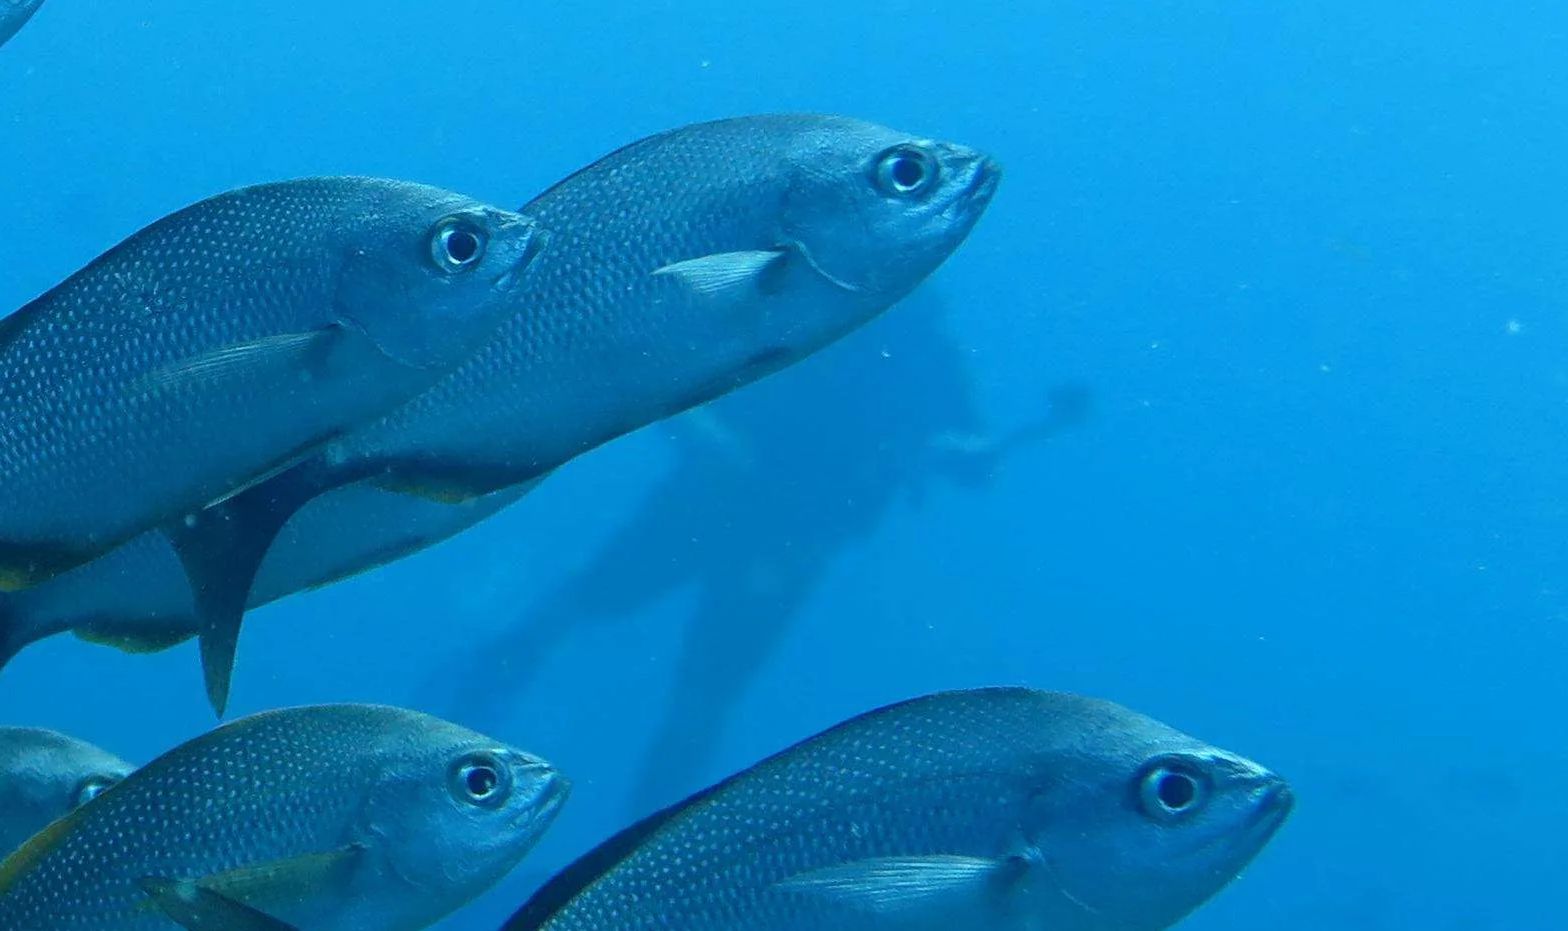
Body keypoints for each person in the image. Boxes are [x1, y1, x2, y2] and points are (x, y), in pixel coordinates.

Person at [439, 299, 1086, 809]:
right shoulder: (859, 329)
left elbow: (966, 454)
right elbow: (680, 386)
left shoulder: (904, 343)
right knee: (614, 623)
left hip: (773, 531)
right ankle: (486, 703)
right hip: (731, 511)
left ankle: (642, 837)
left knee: (688, 682)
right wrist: (702, 434)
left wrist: (982, 448)